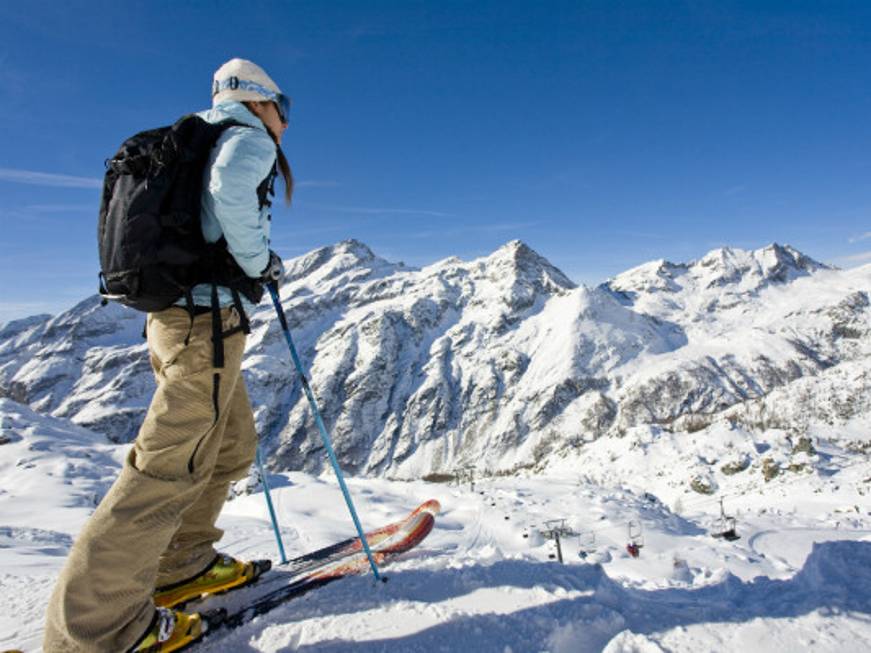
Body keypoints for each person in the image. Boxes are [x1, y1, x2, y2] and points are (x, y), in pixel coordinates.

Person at [43, 58, 293, 653]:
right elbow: (231, 192)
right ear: (257, 100)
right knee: (163, 470)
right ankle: (95, 631)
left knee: (231, 446)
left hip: (177, 321)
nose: (285, 119)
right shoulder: (245, 140)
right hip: (205, 324)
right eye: (283, 105)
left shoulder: (193, 139)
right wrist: (263, 265)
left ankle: (181, 561)